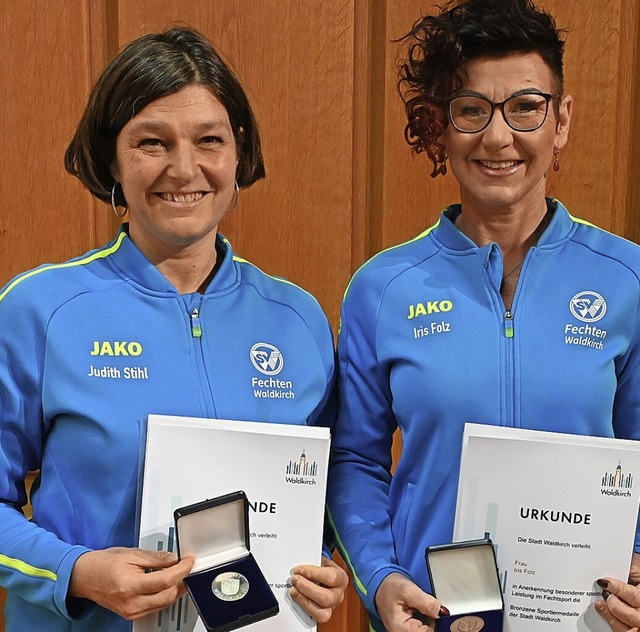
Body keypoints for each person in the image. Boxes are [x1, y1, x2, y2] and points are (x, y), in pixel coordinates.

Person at [0, 27, 347, 631]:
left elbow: (316, 505)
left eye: (208, 140)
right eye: (151, 142)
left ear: (238, 151)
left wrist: (321, 569)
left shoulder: (298, 319)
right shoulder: (40, 309)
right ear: (111, 156)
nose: (184, 169)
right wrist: (76, 571)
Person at [326, 1, 640, 631]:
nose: (499, 138)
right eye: (472, 110)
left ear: (561, 120)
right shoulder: (383, 289)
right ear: (442, 127)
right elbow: (354, 462)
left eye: (525, 106)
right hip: (439, 619)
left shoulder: (628, 279)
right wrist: (382, 578)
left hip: (587, 619)